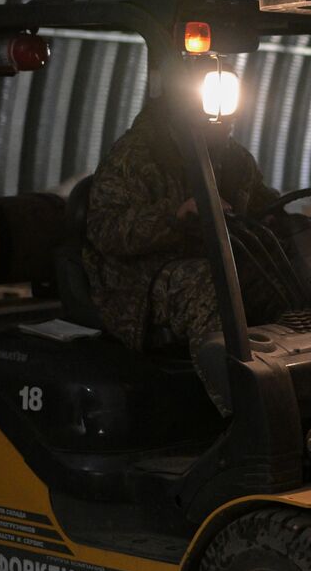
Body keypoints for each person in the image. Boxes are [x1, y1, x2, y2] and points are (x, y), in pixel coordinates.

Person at [83, 99, 286, 408]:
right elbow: (106, 230)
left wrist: (284, 221)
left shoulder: (233, 158)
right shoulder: (135, 156)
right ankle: (241, 411)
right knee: (207, 281)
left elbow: (262, 202)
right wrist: (174, 217)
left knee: (282, 269)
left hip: (211, 259)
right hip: (138, 280)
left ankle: (297, 388)